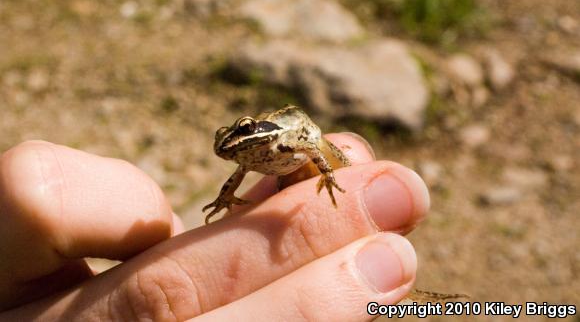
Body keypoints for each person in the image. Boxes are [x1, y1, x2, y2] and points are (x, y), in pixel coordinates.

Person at [0, 133, 429, 321]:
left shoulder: (276, 141)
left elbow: (311, 146)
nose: (231, 145)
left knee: (341, 161)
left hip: (307, 144)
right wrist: (226, 198)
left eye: (239, 134)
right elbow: (236, 179)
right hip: (286, 170)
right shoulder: (247, 160)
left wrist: (334, 175)